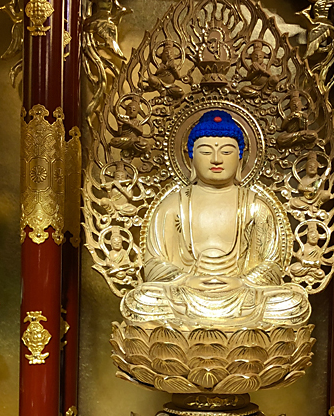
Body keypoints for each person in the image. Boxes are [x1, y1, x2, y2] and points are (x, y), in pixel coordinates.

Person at [120, 110, 310, 326]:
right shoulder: (174, 205)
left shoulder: (255, 206)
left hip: (242, 295)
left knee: (292, 302)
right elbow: (154, 264)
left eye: (227, 152)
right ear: (191, 158)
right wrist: (186, 280)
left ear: (240, 158)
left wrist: (243, 282)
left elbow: (272, 265)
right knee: (141, 299)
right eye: (205, 151)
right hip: (186, 295)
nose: (217, 159)